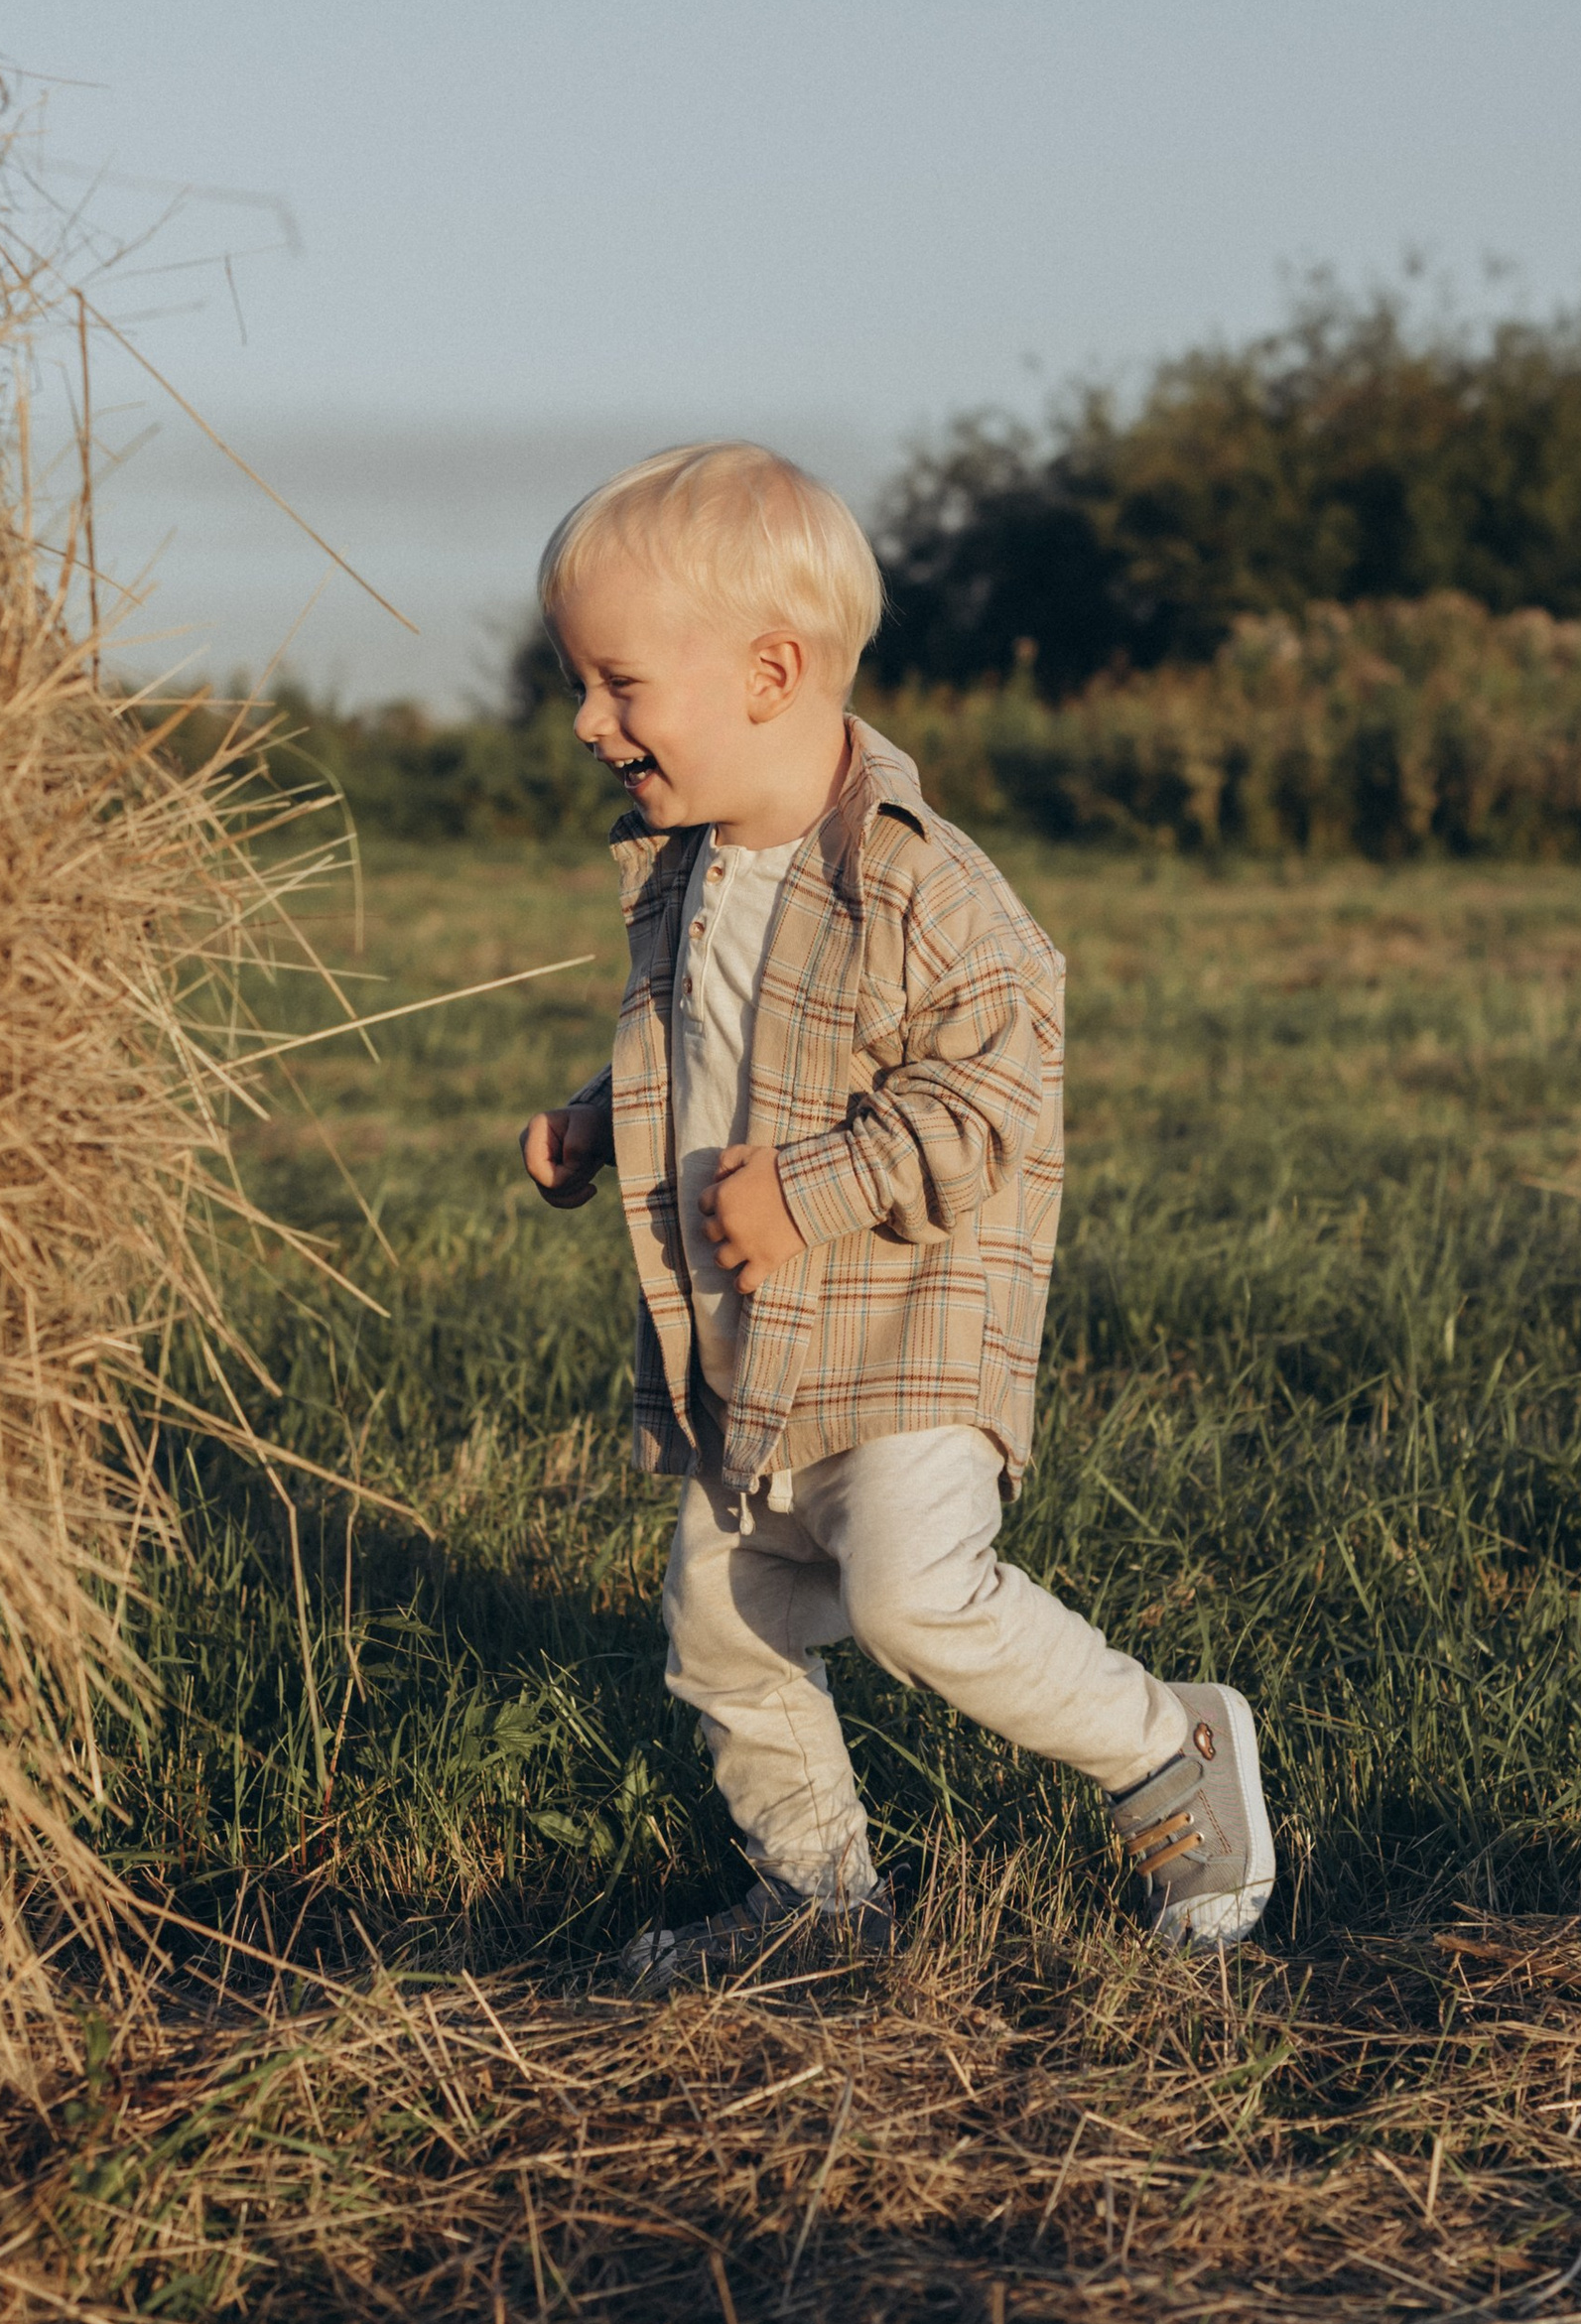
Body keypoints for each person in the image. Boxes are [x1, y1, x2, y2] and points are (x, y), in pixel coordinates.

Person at [517, 441, 1272, 1989]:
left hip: (903, 1331)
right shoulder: (686, 874)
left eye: (616, 684)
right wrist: (603, 1124)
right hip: (754, 1355)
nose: (589, 723)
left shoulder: (921, 890)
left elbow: (994, 1092)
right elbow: (704, 1054)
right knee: (722, 1632)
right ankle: (818, 1897)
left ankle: (1166, 1742)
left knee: (916, 1598)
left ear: (769, 671)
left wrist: (813, 1188)